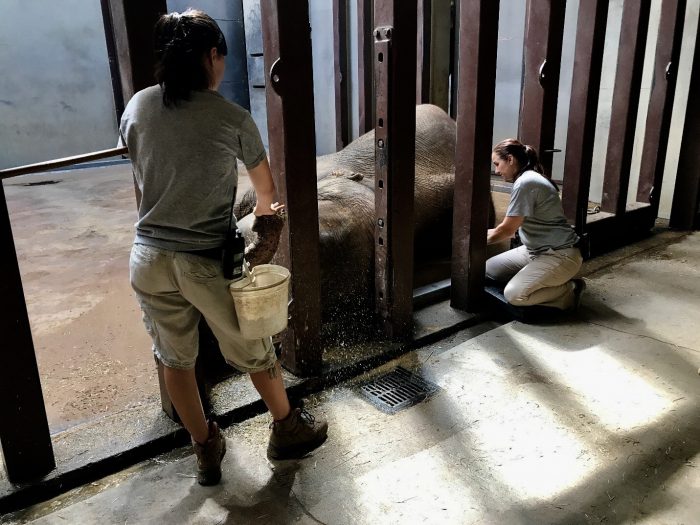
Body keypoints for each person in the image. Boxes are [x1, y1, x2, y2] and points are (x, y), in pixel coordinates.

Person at [119, 9, 327, 486]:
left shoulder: (137, 106)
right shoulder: (231, 117)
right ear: (213, 56)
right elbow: (266, 194)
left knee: (175, 358)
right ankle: (287, 428)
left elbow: (139, 160)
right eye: (222, 59)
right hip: (205, 260)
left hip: (147, 257)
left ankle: (205, 447)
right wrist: (264, 220)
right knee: (254, 347)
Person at [486, 138, 585, 310]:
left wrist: (469, 242)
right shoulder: (526, 179)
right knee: (489, 270)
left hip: (560, 255)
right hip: (534, 250)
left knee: (515, 295)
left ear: (510, 159)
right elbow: (509, 229)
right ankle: (546, 279)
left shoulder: (526, 182)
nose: (496, 170)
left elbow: (507, 229)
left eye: (497, 164)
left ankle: (571, 290)